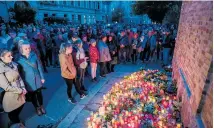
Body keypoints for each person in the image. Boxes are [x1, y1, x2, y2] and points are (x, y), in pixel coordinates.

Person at [17, 40, 46, 116]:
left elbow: (39, 66)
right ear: (21, 49)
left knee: (39, 94)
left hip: (37, 79)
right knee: (33, 96)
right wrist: (22, 84)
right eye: (26, 48)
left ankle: (41, 106)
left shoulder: (34, 55)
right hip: (28, 81)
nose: (28, 50)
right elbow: (19, 74)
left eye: (29, 48)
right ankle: (37, 107)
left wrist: (42, 77)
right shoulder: (19, 60)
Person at [0, 49, 26, 127]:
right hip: (10, 95)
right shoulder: (1, 69)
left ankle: (16, 122)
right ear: (1, 58)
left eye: (11, 55)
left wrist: (23, 87)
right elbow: (7, 87)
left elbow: (19, 77)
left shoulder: (13, 64)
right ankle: (16, 124)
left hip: (19, 91)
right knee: (12, 114)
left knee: (20, 106)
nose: (11, 57)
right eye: (9, 56)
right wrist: (20, 90)